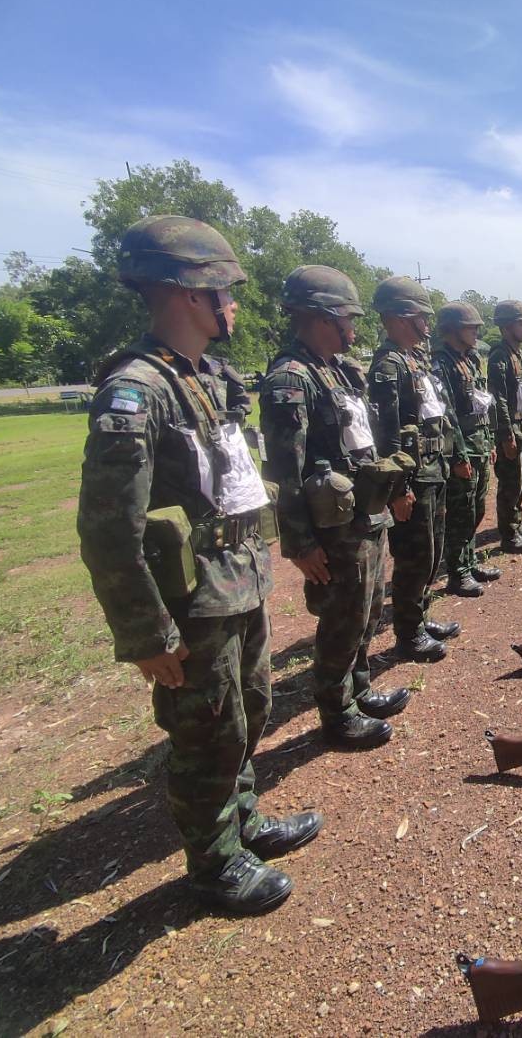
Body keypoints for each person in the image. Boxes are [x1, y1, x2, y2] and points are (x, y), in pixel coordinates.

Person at [77, 216, 319, 915]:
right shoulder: (136, 390)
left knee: (250, 708)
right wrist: (146, 632)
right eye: (226, 291)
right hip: (193, 599)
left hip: (237, 578)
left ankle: (243, 822)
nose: (234, 304)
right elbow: (108, 527)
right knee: (207, 729)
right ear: (190, 292)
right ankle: (213, 864)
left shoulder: (205, 377)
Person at [260, 265, 413, 749]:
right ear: (324, 317)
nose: (354, 327)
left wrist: (391, 490)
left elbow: (364, 441)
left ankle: (359, 689)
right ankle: (338, 712)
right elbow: (284, 471)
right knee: (342, 620)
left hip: (365, 513)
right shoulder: (291, 378)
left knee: (366, 612)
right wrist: (300, 543)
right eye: (348, 317)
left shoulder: (337, 370)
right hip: (334, 528)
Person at [367, 276, 464, 663]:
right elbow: (386, 435)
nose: (427, 323)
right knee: (413, 557)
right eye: (422, 316)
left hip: (433, 469)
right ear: (401, 318)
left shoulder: (415, 360)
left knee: (431, 552)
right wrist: (398, 488)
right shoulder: (388, 366)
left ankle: (421, 616)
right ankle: (409, 632)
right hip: (413, 478)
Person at [433, 300, 502, 596]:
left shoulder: (470, 359)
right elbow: (447, 416)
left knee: (476, 508)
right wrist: (459, 456)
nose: (476, 331)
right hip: (461, 451)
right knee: (460, 513)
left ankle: (470, 562)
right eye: (470, 327)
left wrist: (489, 441)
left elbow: (481, 404)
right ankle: (457, 572)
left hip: (479, 444)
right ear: (452, 329)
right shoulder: (441, 363)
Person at [487, 300, 522, 554]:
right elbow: (498, 398)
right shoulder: (499, 356)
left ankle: (517, 525)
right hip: (511, 430)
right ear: (507, 326)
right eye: (521, 324)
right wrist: (505, 434)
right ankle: (509, 535)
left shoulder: (519, 355)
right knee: (510, 485)